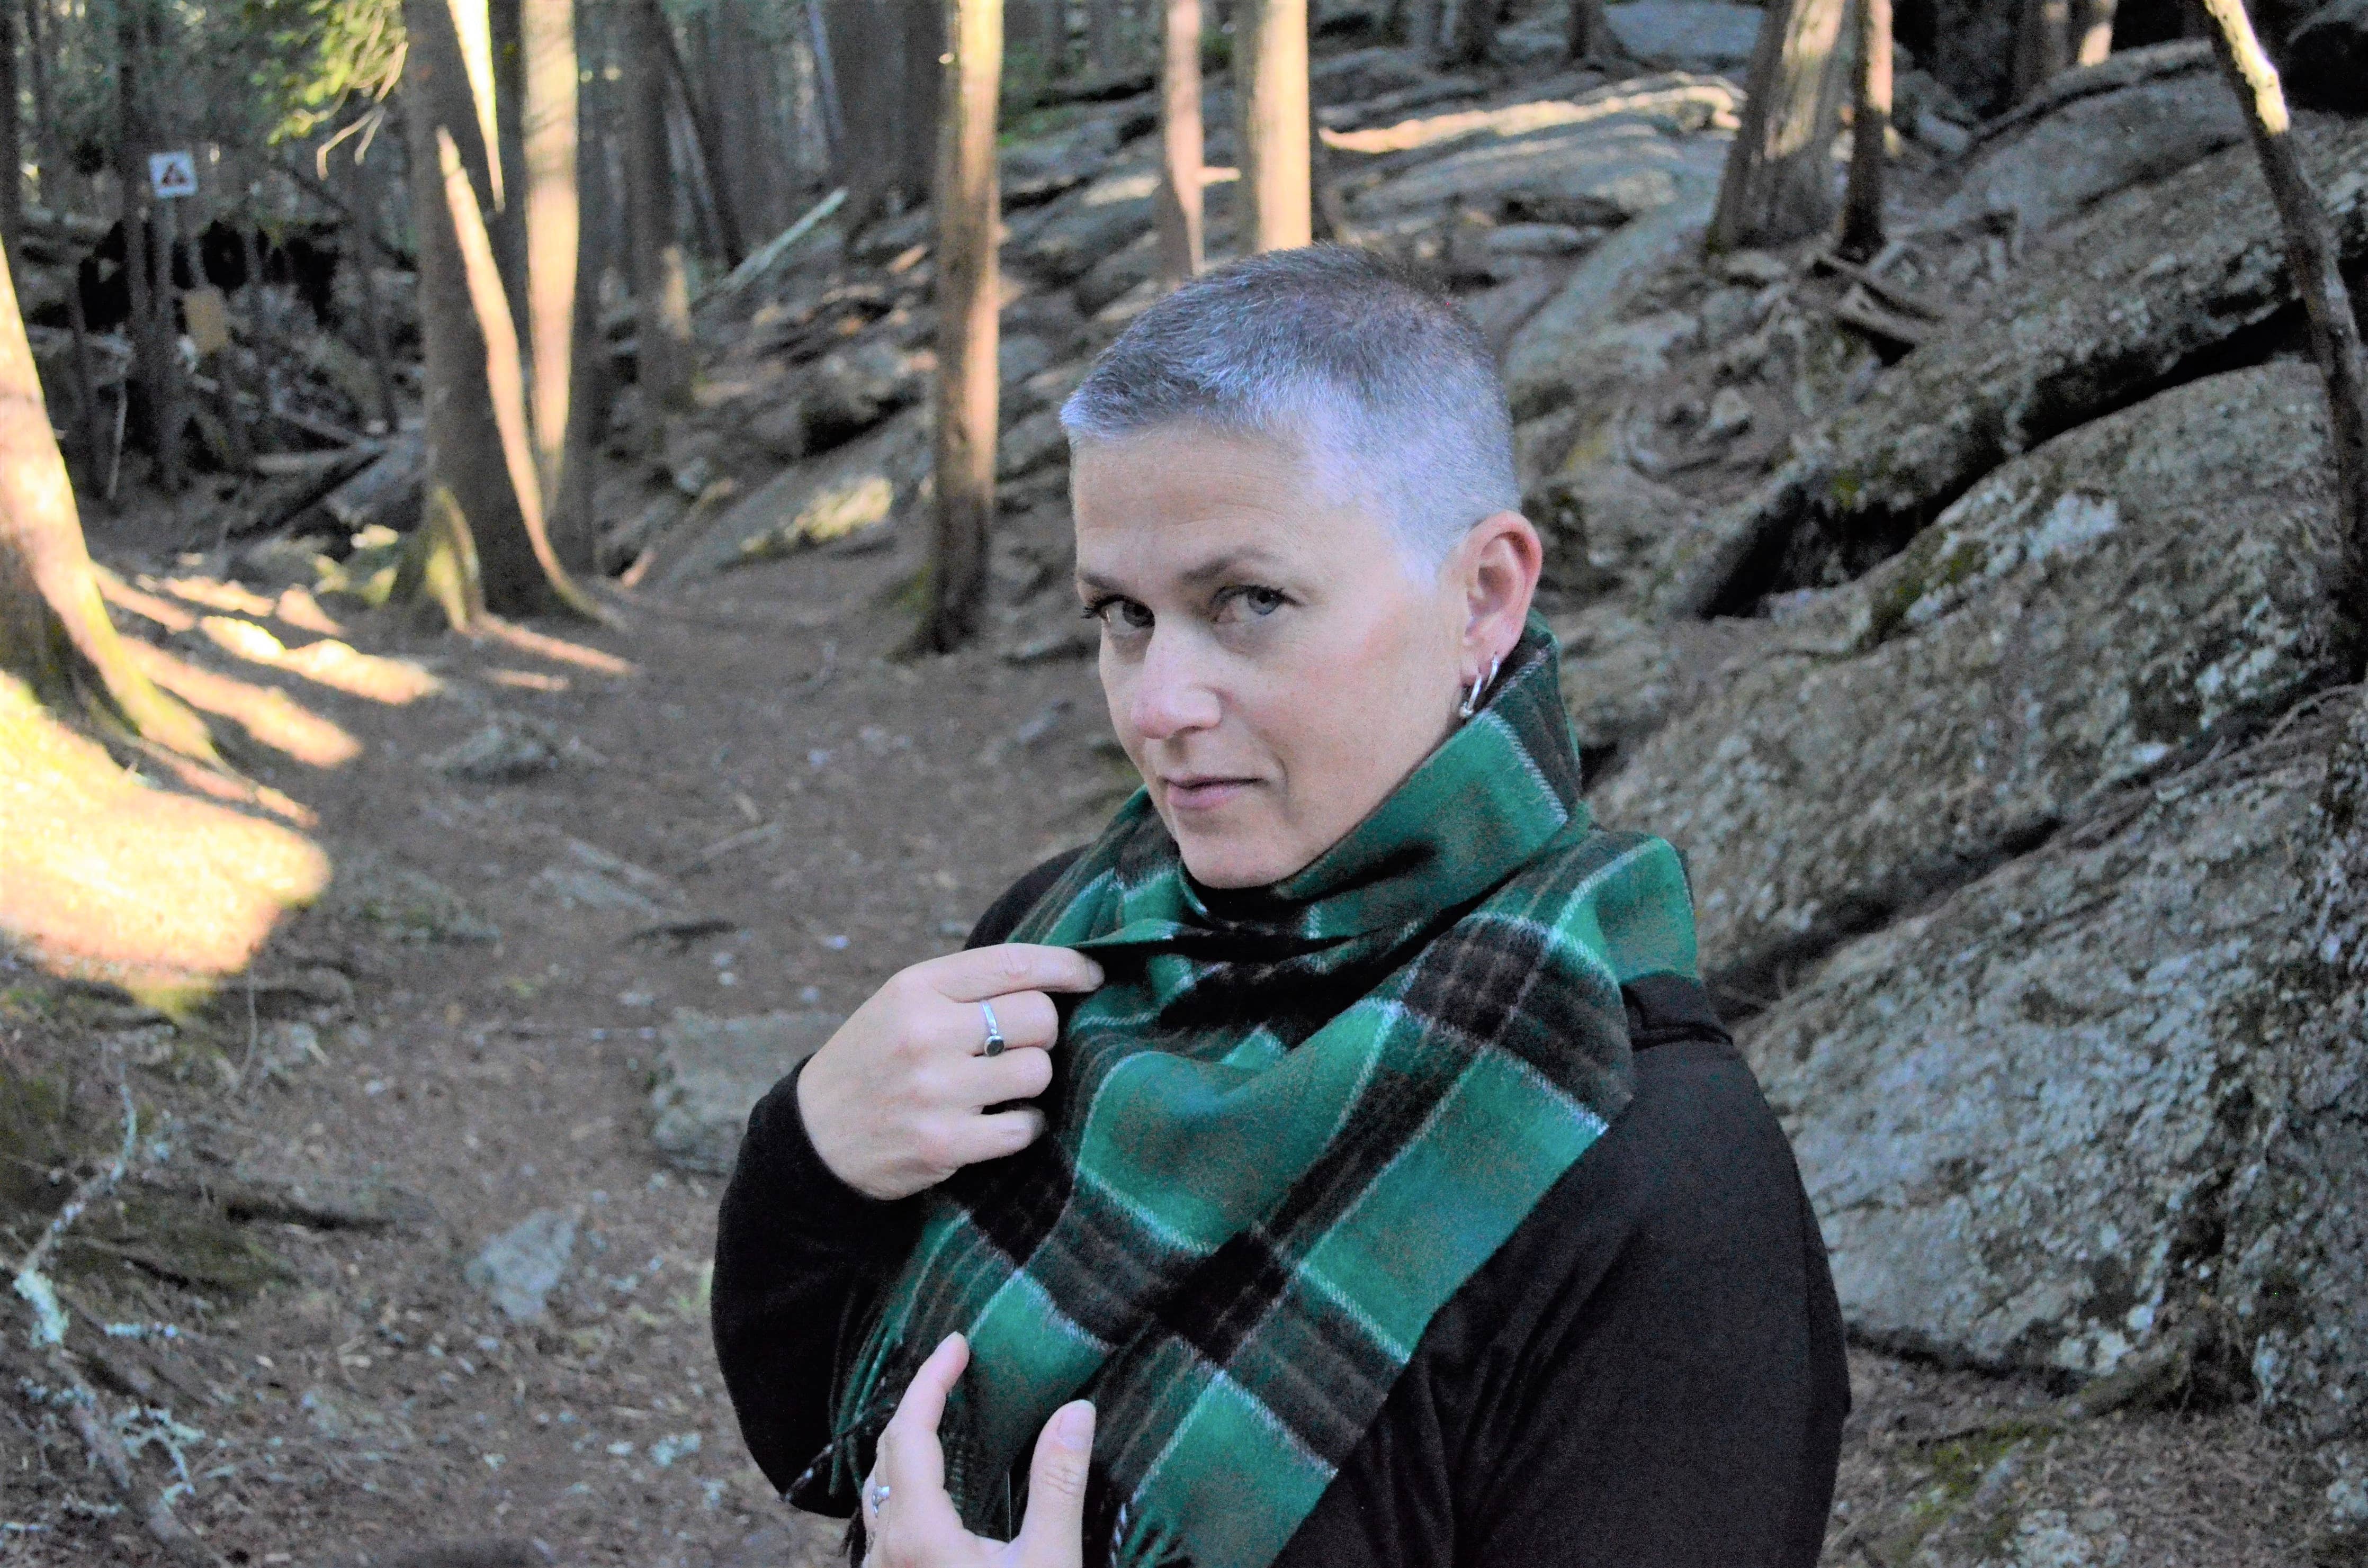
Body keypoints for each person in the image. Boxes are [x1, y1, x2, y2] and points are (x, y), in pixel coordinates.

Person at [713, 246, 1849, 1568]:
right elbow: (817, 1434)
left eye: (1246, 602)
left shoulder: (1659, 1180)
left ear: (1483, 595)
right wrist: (808, 1151)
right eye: (1123, 613)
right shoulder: (1072, 942)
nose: (1154, 705)